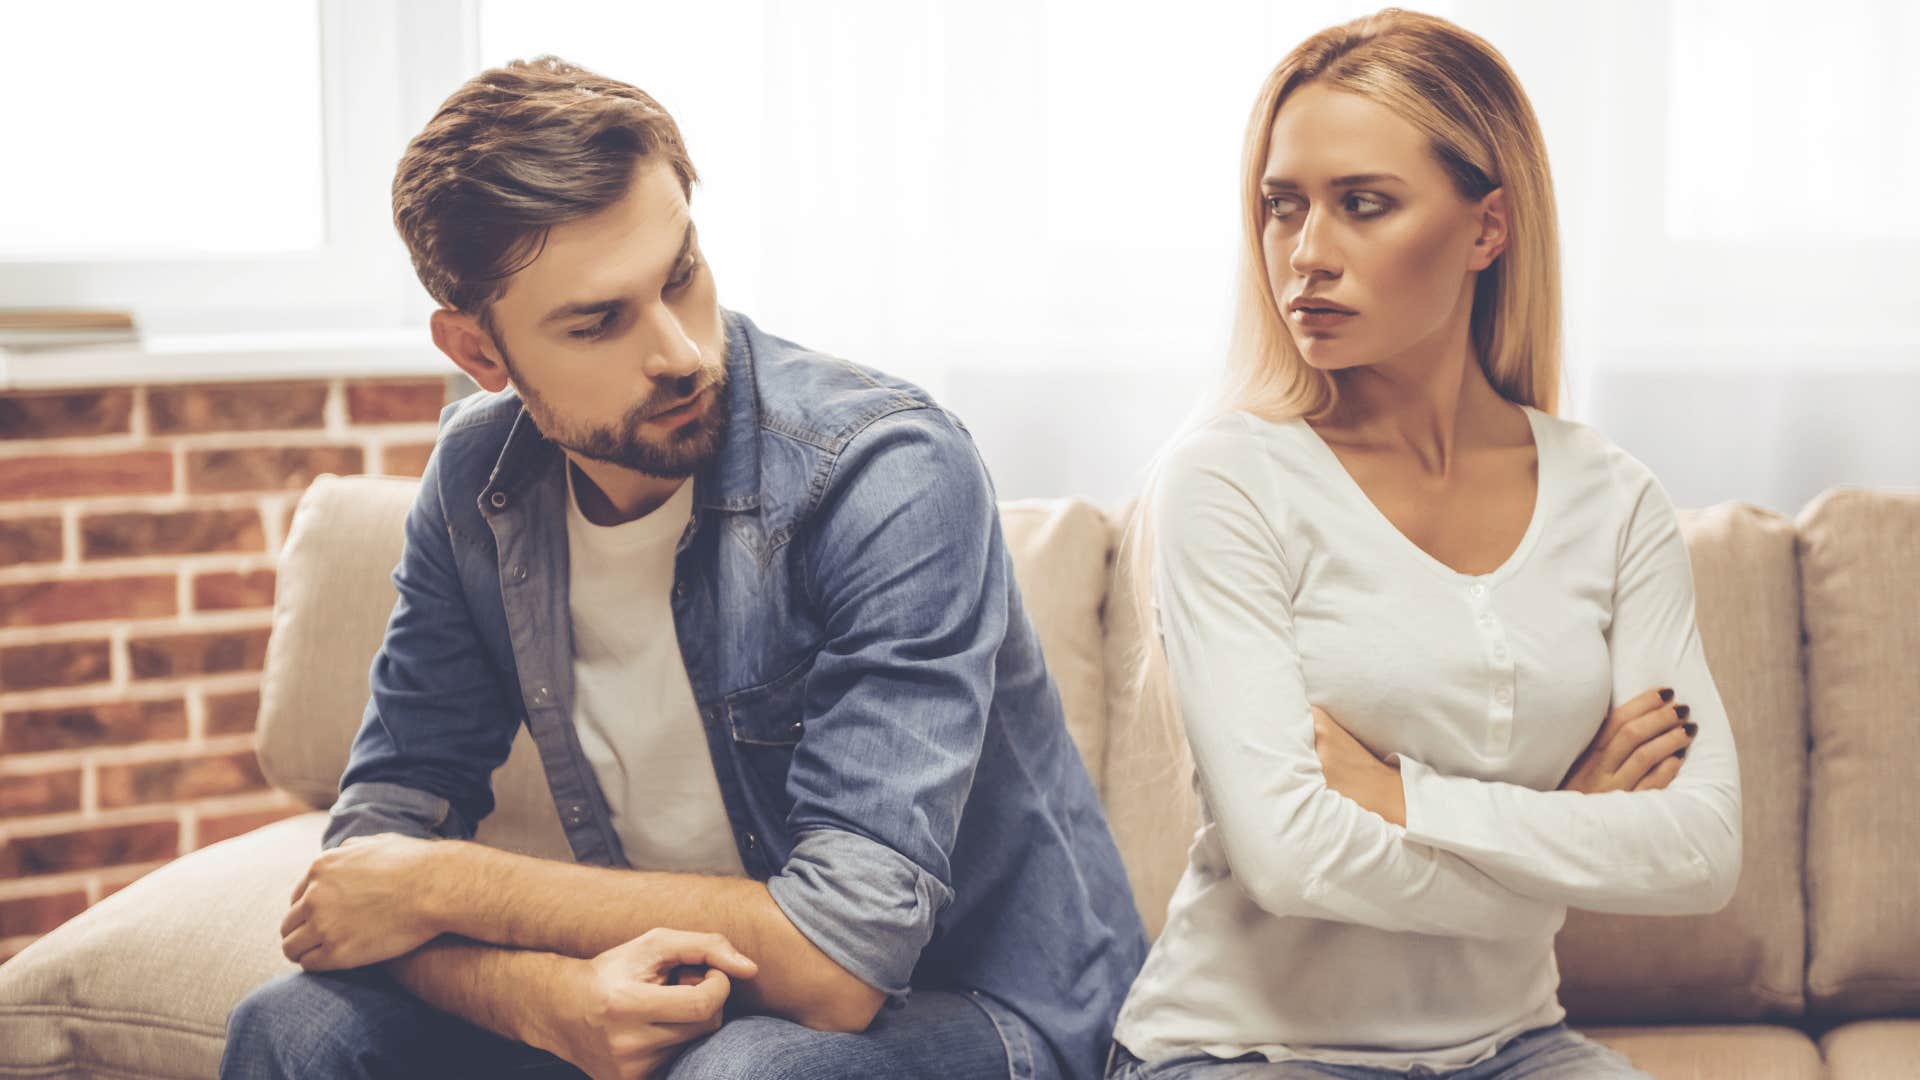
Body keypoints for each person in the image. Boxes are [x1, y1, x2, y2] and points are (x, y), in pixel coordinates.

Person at [221, 55, 1146, 1080]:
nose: (679, 353)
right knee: (293, 1030)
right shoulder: (478, 485)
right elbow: (366, 866)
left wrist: (445, 889)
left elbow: (844, 964)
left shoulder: (886, 472)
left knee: (750, 1074)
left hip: (981, 1005)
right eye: (597, 320)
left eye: (681, 275)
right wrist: (547, 1000)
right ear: (480, 354)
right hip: (681, 995)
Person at [1106, 9, 1741, 1078]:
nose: (1306, 255)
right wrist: (1570, 822)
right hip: (1242, 1051)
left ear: (1487, 229)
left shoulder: (1614, 500)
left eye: (1363, 206)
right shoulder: (1227, 481)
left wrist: (1406, 798)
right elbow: (1292, 860)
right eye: (1281, 208)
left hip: (1516, 1049)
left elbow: (1701, 851)